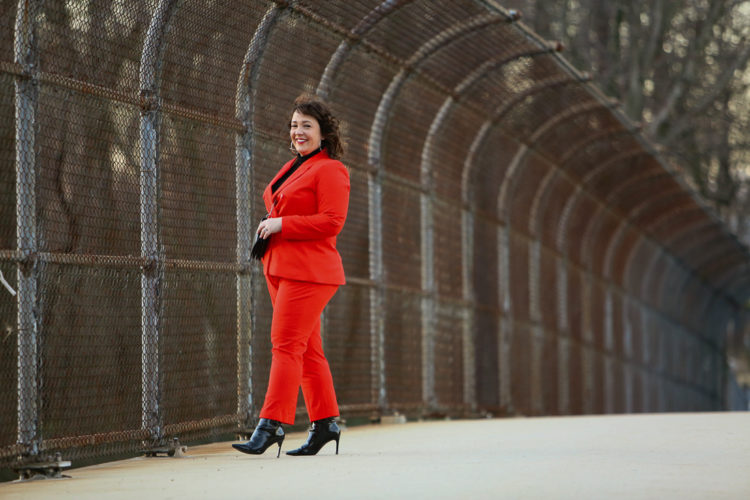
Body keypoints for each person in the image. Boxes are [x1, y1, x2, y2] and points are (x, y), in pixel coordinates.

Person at [233, 94, 350, 457]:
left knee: (285, 346)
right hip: (281, 267)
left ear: (324, 133)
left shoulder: (331, 169)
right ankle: (326, 423)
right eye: (294, 125)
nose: (298, 132)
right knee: (308, 350)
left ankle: (271, 425)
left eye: (306, 126)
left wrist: (282, 223)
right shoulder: (297, 166)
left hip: (309, 272)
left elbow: (333, 221)